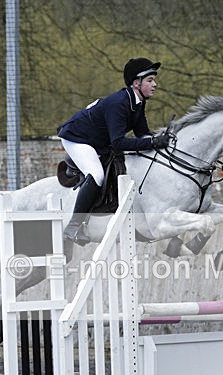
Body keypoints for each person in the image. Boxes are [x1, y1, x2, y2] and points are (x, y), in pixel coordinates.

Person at [57, 57, 172, 244]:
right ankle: (73, 226)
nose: (155, 84)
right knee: (97, 175)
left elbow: (142, 134)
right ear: (136, 83)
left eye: (154, 80)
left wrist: (161, 140)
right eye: (150, 80)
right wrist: (153, 143)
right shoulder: (119, 102)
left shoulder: (137, 102)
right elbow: (118, 143)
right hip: (77, 138)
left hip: (97, 141)